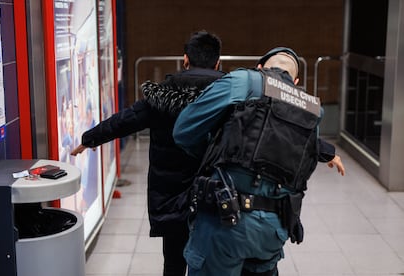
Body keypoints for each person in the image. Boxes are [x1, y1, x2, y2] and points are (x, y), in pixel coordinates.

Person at [173, 46, 345, 276]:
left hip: (225, 222)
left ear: (260, 68)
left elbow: (183, 130)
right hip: (274, 230)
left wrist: (213, 153)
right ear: (295, 81)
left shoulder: (245, 80)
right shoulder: (312, 108)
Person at [70, 30, 225, 276]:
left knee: (173, 263)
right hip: (217, 195)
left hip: (172, 198)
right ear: (218, 63)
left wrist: (89, 139)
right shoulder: (230, 97)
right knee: (213, 264)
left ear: (185, 60)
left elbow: (125, 120)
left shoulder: (163, 95)